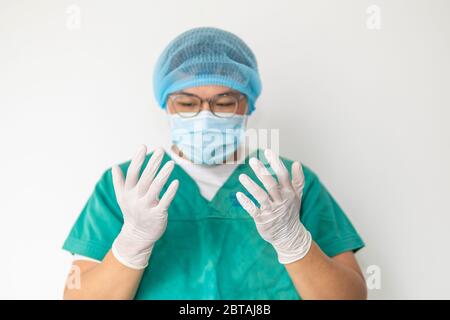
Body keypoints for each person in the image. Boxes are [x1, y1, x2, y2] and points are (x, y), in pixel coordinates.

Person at [63, 27, 367, 300]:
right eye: (186, 102)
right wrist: (132, 243)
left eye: (224, 102)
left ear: (248, 104)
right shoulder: (128, 187)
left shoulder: (289, 184)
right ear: (165, 104)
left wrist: (293, 241)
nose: (205, 114)